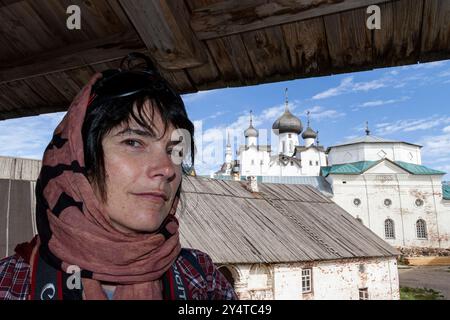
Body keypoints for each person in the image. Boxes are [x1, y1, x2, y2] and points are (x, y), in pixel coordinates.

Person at [0, 53, 237, 300]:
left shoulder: (202, 279)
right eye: (134, 142)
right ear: (79, 161)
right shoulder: (12, 284)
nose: (167, 168)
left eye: (174, 150)